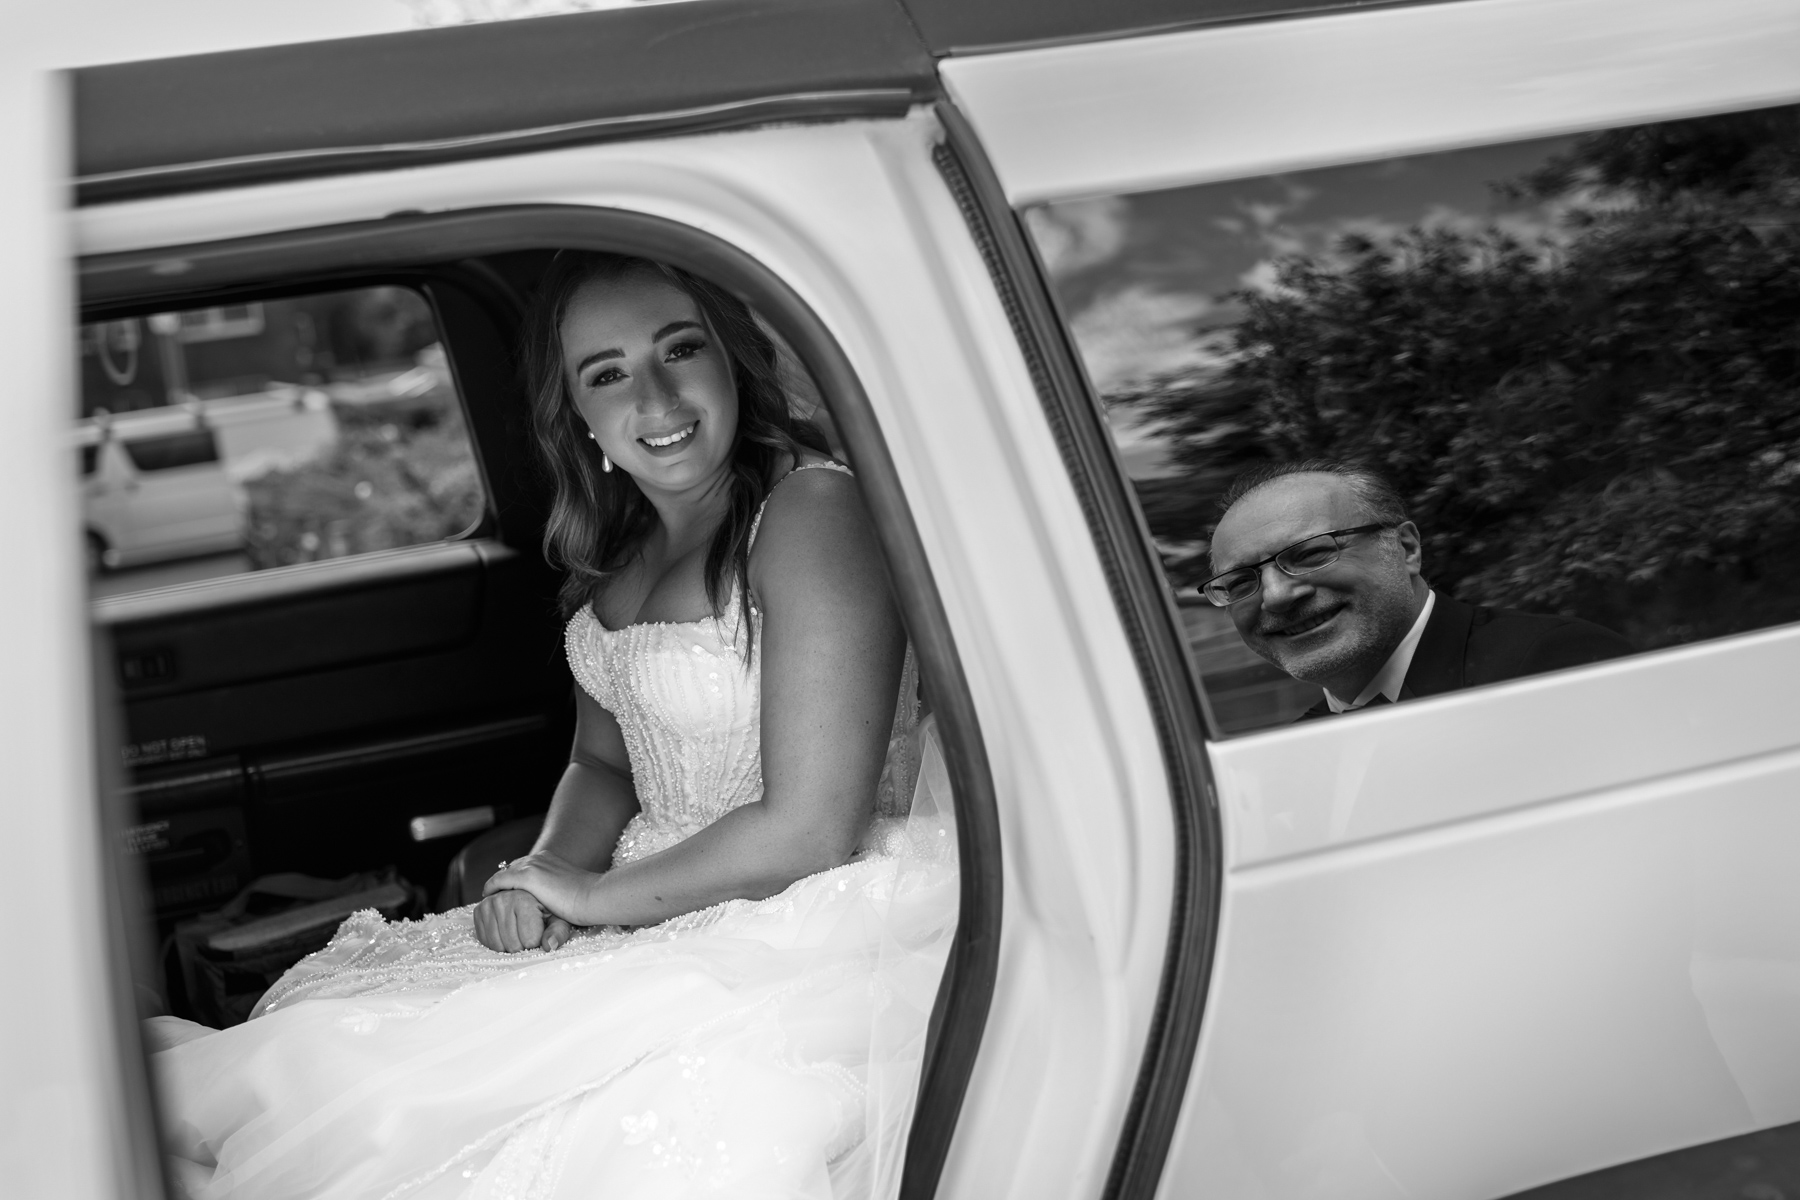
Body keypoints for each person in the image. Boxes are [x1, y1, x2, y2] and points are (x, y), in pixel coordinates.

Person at [144, 251, 959, 1199]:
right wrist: (538, 878)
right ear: (577, 413)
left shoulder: (811, 511)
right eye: (607, 373)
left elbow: (812, 829)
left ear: (731, 358)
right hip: (641, 898)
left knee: (399, 1110)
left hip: (792, 922)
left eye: (680, 349)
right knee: (326, 1056)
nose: (656, 397)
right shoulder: (620, 549)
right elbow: (603, 767)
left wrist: (591, 896)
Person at [1202, 460, 1632, 718]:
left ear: (1406, 548)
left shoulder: (1549, 666)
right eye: (1240, 582)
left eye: (1311, 554)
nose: (1277, 596)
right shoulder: (1292, 755)